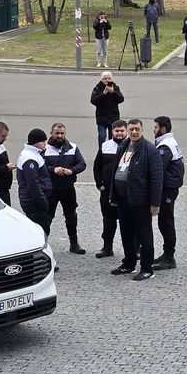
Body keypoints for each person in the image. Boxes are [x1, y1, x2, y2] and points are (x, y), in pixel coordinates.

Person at [110, 119, 163, 281]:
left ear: (142, 130)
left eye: (137, 129)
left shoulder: (149, 149)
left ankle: (147, 268)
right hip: (123, 199)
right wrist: (113, 195)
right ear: (127, 130)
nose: (134, 132)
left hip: (141, 200)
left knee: (144, 235)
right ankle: (129, 263)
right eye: (131, 129)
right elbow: (115, 172)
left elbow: (157, 177)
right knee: (126, 233)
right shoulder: (123, 147)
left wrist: (155, 203)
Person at [43, 122, 87, 254]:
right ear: (51, 133)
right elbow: (41, 166)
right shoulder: (44, 148)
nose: (60, 135)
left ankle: (74, 244)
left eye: (62, 133)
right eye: (57, 133)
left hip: (68, 188)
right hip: (51, 189)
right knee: (47, 217)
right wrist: (53, 169)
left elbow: (82, 164)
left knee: (71, 216)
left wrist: (71, 171)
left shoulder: (73, 147)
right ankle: (43, 245)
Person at [152, 116, 185, 270]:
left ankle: (169, 258)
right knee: (164, 221)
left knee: (166, 222)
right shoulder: (168, 142)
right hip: (170, 187)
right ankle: (166, 254)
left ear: (163, 129)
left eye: (156, 127)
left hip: (168, 189)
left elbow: (157, 169)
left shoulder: (165, 146)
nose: (154, 130)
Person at [93, 119, 127, 258]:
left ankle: (134, 249)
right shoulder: (105, 146)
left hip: (125, 192)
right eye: (117, 131)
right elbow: (97, 166)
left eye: (122, 131)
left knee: (129, 221)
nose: (119, 134)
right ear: (112, 131)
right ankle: (107, 248)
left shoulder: (132, 146)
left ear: (126, 131)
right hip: (107, 191)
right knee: (108, 220)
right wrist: (99, 184)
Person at [16, 128, 53, 236]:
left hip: (34, 200)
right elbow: (32, 182)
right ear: (36, 143)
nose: (45, 145)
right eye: (43, 142)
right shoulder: (30, 158)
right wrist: (42, 200)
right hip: (34, 201)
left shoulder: (32, 154)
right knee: (40, 231)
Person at [90, 71, 124, 145]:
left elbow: (121, 99)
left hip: (113, 116)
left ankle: (112, 152)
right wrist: (103, 94)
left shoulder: (115, 87)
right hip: (102, 117)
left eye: (109, 78)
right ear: (102, 79)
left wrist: (113, 93)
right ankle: (101, 152)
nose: (107, 80)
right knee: (102, 136)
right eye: (105, 78)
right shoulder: (97, 88)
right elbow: (93, 101)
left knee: (112, 137)